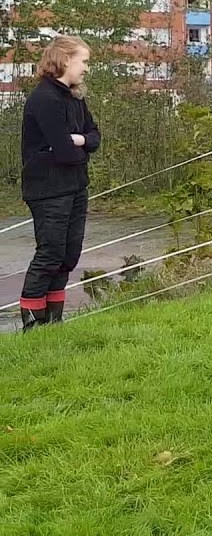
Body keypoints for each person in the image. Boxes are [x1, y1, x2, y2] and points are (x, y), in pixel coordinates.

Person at [17, 35, 100, 332]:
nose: (86, 68)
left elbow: (94, 137)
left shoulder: (75, 96)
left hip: (76, 185)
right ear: (65, 60)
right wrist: (78, 147)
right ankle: (32, 322)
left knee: (68, 253)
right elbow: (65, 152)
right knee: (50, 251)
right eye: (84, 61)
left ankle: (54, 321)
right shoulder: (44, 99)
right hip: (48, 188)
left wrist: (80, 142)